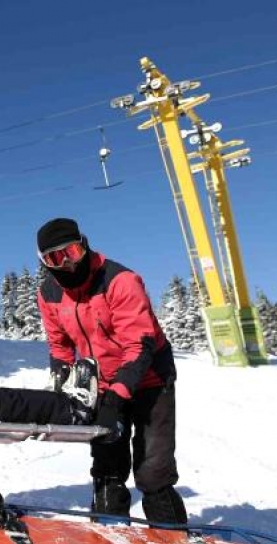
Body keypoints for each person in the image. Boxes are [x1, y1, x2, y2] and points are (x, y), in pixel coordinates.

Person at [35, 217, 187, 524]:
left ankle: (173, 542)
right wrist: (63, 390)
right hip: (103, 382)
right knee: (107, 470)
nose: (66, 264)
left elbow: (139, 345)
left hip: (149, 380)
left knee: (153, 472)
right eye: (55, 258)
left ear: (85, 245)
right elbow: (60, 346)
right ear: (45, 262)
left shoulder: (119, 280)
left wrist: (118, 398)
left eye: (72, 252)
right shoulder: (49, 293)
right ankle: (110, 541)